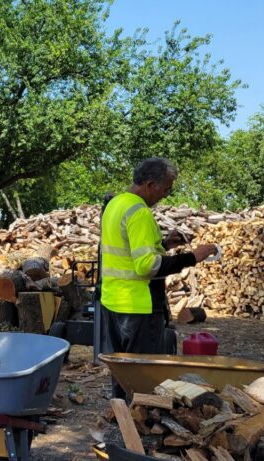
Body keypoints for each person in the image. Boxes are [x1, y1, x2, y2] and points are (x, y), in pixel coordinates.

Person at [99, 158, 218, 399]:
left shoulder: (115, 204)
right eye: (165, 189)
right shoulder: (139, 213)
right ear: (150, 184)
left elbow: (129, 252)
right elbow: (147, 266)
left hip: (113, 303)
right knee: (144, 381)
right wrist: (192, 257)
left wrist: (164, 244)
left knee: (122, 375)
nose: (166, 195)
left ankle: (121, 425)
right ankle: (140, 431)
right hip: (139, 307)